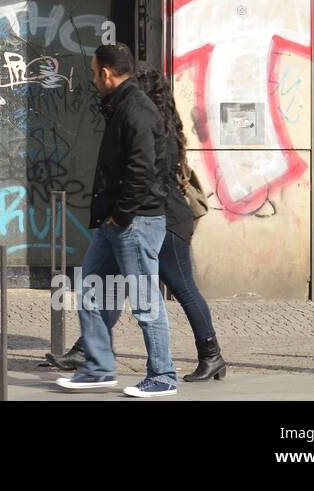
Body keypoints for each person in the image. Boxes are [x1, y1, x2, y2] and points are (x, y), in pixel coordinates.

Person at [47, 66, 228, 382]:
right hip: (143, 220)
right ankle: (88, 351)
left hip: (167, 222)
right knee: (108, 284)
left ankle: (210, 355)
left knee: (181, 287)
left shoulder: (156, 131)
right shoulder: (151, 125)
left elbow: (143, 177)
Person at [57, 43, 178, 397]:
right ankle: (98, 368)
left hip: (134, 222)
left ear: (107, 73)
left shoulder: (136, 110)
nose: (93, 79)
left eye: (94, 72)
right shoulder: (121, 106)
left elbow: (142, 171)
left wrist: (121, 216)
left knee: (144, 301)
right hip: (117, 223)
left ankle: (163, 375)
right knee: (90, 291)